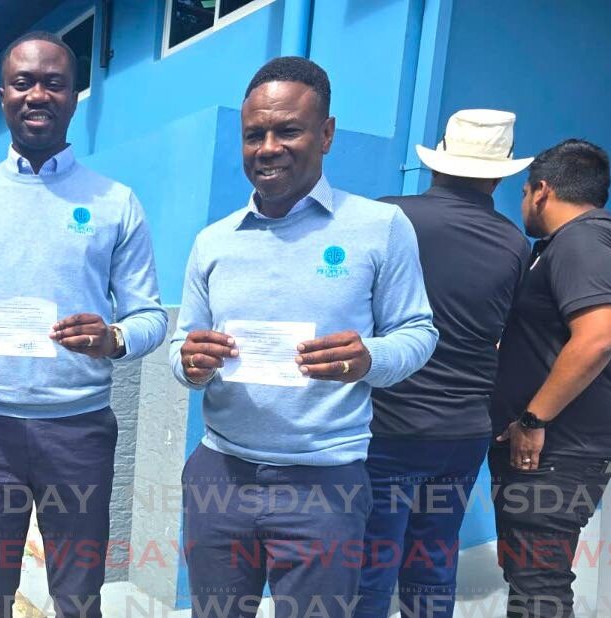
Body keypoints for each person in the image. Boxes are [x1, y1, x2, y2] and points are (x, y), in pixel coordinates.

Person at [171, 56, 438, 617]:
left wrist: (369, 357)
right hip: (221, 473)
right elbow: (182, 345)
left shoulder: (379, 228)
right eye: (254, 135)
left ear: (327, 134)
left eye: (288, 130)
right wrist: (190, 363)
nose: (268, 148)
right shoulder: (213, 241)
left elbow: (417, 332)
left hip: (325, 483)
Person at [0, 31, 167, 618]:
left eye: (54, 83)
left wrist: (114, 338)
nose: (38, 94)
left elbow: (151, 317)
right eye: (23, 82)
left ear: (74, 95)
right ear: (3, 96)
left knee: (78, 600)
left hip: (78, 432)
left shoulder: (115, 202)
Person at [356, 109, 533, 617]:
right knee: (433, 561)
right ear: (499, 175)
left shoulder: (388, 217)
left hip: (388, 426)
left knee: (370, 564)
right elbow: (506, 337)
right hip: (463, 432)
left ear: (437, 161)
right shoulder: (513, 243)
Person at [487, 139, 611, 618]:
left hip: (557, 450)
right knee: (530, 577)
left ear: (542, 190)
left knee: (538, 585)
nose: (524, 202)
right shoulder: (568, 246)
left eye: (525, 192)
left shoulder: (582, 241)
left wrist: (533, 419)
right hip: (550, 451)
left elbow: (598, 337)